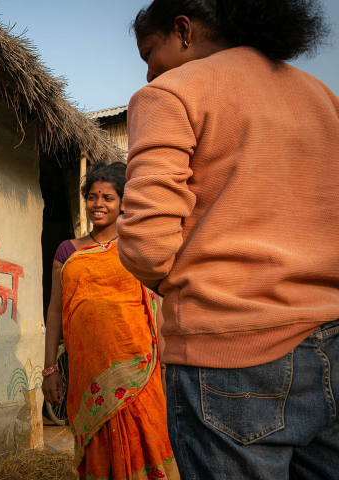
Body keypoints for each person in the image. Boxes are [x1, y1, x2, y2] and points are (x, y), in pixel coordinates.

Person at [118, 0, 339, 477]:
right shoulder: (323, 96)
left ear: (183, 30)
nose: (150, 75)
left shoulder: (172, 93)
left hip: (229, 353)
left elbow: (146, 244)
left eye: (149, 54)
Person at [42, 162, 178, 480]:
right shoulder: (67, 251)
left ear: (122, 203)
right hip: (87, 368)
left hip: (137, 364)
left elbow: (155, 303)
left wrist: (169, 361)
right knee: (98, 444)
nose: (98, 204)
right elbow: (54, 309)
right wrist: (50, 368)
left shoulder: (134, 247)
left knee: (145, 433)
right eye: (92, 197)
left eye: (107, 198)